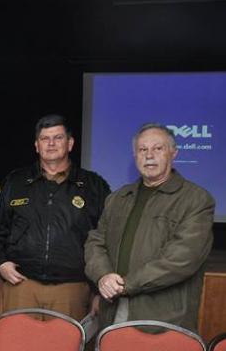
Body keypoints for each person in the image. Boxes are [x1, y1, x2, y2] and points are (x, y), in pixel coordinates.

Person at [85, 123, 214, 331]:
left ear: (174, 153)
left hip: (164, 320)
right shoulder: (118, 198)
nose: (149, 155)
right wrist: (102, 276)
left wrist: (124, 285)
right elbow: (96, 242)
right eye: (142, 150)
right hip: (114, 311)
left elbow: (181, 259)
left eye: (158, 148)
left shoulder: (196, 200)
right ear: (135, 155)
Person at [0, 114, 110, 321]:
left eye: (58, 138)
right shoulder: (16, 182)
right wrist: (0, 262)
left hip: (71, 288)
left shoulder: (93, 185)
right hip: (22, 285)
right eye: (45, 139)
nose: (51, 144)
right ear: (37, 145)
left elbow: (107, 238)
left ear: (70, 143)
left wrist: (99, 288)